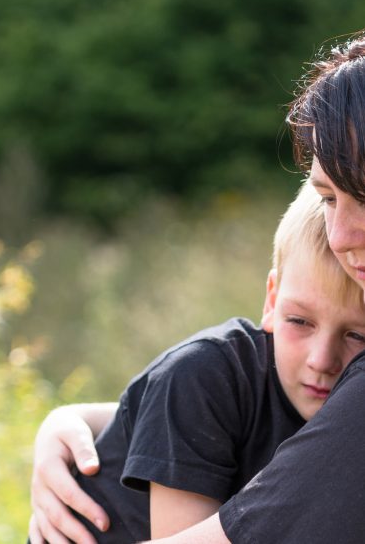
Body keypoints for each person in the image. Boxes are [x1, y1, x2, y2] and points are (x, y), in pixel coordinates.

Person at [28, 178, 365, 544]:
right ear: (271, 301)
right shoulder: (202, 376)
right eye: (299, 321)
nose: (321, 359)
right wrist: (69, 417)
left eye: (357, 335)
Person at [136, 31, 365, 544]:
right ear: (270, 297)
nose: (343, 237)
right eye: (329, 199)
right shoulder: (203, 375)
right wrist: (77, 422)